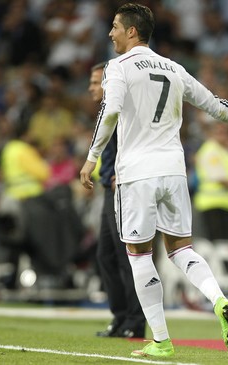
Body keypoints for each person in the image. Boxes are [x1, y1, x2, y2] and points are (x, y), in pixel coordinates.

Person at [79, 3, 228, 358]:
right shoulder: (173, 67)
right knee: (181, 249)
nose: (110, 33)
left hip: (136, 172)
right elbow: (216, 105)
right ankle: (219, 299)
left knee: (138, 254)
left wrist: (91, 158)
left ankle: (161, 340)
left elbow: (110, 109)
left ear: (132, 31)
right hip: (175, 170)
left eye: (115, 27)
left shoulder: (117, 67)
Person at [88, 62, 146, 339]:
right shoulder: (107, 112)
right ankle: (121, 317)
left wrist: (122, 173)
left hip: (121, 187)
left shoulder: (121, 111)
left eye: (96, 82)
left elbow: (134, 143)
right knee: (106, 255)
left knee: (126, 256)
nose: (91, 88)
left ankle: (135, 321)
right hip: (108, 187)